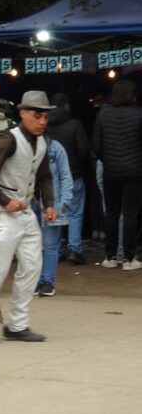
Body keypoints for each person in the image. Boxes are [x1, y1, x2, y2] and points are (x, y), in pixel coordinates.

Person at [0, 91, 55, 344]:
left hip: (25, 213)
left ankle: (17, 323)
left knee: (32, 267)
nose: (42, 121)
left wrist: (49, 203)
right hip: (1, 213)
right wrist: (6, 200)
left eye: (45, 116)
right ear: (23, 113)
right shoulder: (7, 141)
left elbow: (45, 176)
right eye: (38, 115)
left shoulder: (42, 142)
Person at [92, 79, 142, 270]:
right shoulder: (139, 114)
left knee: (111, 213)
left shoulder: (103, 115)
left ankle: (110, 257)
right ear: (132, 95)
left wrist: (108, 160)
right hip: (135, 172)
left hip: (111, 170)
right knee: (130, 214)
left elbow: (96, 145)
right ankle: (129, 259)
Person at [45, 93, 91, 265]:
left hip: (49, 179)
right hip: (74, 174)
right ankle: (75, 249)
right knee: (75, 213)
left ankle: (55, 251)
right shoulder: (75, 124)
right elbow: (84, 149)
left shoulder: (44, 125)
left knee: (52, 212)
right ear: (67, 106)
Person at [34, 135, 73, 297]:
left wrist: (63, 202)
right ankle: (39, 281)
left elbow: (65, 175)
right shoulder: (55, 147)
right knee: (34, 246)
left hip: (50, 203)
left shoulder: (55, 148)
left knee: (48, 245)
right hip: (30, 202)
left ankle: (46, 281)